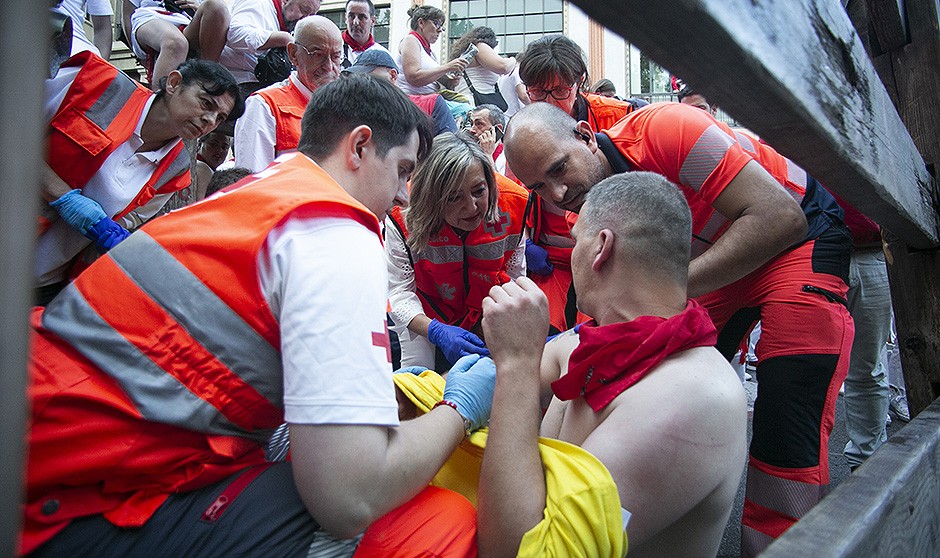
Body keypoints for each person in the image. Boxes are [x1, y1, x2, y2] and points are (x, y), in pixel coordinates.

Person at [22, 74, 495, 557]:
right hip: (68, 503)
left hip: (46, 435)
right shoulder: (334, 231)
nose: (402, 195)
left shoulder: (257, 191)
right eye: (401, 170)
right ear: (359, 147)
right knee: (440, 522)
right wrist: (458, 410)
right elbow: (350, 496)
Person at [504, 102, 854, 556]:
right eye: (538, 187)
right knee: (634, 371)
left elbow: (781, 217)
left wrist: (659, 284)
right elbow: (605, 335)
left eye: (558, 168)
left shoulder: (668, 129)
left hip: (799, 237)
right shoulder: (583, 211)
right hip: (709, 266)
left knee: (790, 412)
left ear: (586, 136)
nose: (557, 192)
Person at [478, 172, 748, 556]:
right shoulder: (589, 342)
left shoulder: (693, 398)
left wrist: (517, 364)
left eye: (576, 241)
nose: (573, 255)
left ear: (600, 248)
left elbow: (518, 552)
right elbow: (484, 381)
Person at [37, 52, 243, 305]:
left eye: (220, 117)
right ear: (174, 83)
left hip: (46, 284)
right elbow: (11, 129)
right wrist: (63, 197)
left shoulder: (177, 170)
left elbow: (124, 224)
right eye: (206, 103)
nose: (210, 120)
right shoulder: (96, 83)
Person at [516, 34, 647, 334]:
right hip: (554, 261)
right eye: (538, 92)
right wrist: (525, 244)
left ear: (580, 82)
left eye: (560, 91)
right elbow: (517, 193)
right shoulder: (523, 130)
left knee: (603, 332)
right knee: (543, 333)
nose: (550, 102)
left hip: (612, 253)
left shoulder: (618, 117)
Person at [386, 132, 528, 371]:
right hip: (424, 310)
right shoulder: (403, 214)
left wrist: (493, 321)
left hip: (486, 307)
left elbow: (514, 277)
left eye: (479, 191)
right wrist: (434, 330)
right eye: (453, 198)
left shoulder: (513, 203)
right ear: (431, 199)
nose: (471, 207)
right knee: (417, 374)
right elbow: (398, 291)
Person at [234, 15, 341, 172]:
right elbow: (252, 180)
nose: (329, 66)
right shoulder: (264, 106)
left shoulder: (344, 110)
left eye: (336, 56)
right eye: (318, 55)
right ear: (293, 54)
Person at [344, 48, 457, 136]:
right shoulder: (355, 116)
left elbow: (451, 152)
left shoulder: (431, 104)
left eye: (368, 78)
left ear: (392, 75)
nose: (362, 84)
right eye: (357, 79)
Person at [122, 0, 230, 87]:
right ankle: (161, 102)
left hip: (187, 21)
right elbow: (127, 14)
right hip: (152, 17)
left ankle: (205, 76)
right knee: (175, 43)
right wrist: (139, 54)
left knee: (217, 6)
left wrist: (198, 7)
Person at [220, 0, 322, 91]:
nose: (304, 20)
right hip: (233, 81)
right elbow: (234, 34)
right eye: (303, 10)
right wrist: (282, 38)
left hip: (253, 84)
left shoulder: (284, 22)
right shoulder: (258, 3)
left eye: (311, 16)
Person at [395, 5, 468, 95]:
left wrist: (451, 81)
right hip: (413, 99)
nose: (440, 30)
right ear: (421, 23)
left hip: (430, 97)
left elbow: (436, 80)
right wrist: (447, 67)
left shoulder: (431, 54)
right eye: (436, 24)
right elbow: (414, 78)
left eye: (441, 27)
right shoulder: (410, 40)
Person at [449, 26, 515, 111]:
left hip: (470, 102)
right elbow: (503, 67)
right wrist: (513, 60)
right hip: (474, 104)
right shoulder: (479, 46)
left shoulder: (467, 52)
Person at [340, 0, 390, 68]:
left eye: (362, 17)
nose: (356, 22)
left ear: (372, 21)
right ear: (346, 18)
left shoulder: (383, 56)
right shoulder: (333, 49)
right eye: (351, 16)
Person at [465, 104, 507, 175]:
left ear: (497, 129)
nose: (472, 130)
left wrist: (487, 155)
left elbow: (499, 182)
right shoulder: (469, 152)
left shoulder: (506, 158)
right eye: (472, 124)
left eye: (479, 124)